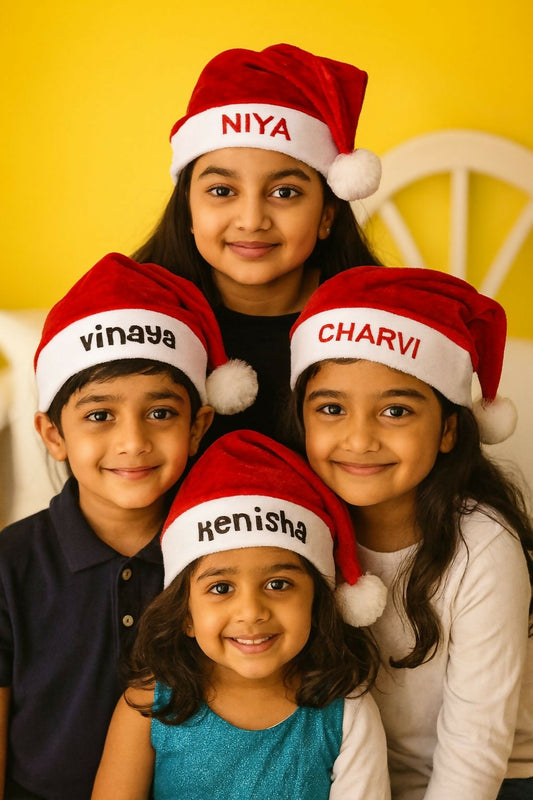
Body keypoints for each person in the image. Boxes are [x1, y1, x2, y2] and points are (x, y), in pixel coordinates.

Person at [0, 252, 257, 800]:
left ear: (198, 426)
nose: (134, 441)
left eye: (161, 412)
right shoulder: (9, 564)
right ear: (53, 434)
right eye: (99, 416)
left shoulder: (230, 557)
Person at [287, 265, 533, 799]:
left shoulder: (484, 548)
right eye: (331, 408)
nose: (359, 438)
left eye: (395, 411)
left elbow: (477, 750)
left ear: (448, 429)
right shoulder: (299, 529)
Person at [92, 429, 390, 800]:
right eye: (221, 588)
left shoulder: (347, 711)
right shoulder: (148, 704)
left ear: (317, 601)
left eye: (278, 584)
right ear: (185, 614)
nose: (251, 612)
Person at [132, 43, 383, 448]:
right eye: (221, 190)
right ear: (188, 211)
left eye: (284, 192)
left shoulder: (380, 328)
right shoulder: (138, 322)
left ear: (327, 215)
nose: (251, 220)